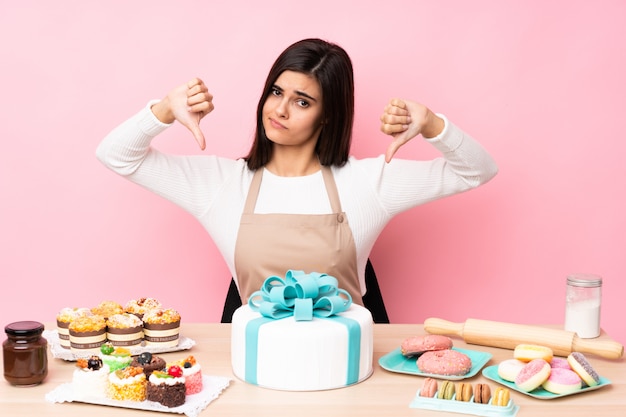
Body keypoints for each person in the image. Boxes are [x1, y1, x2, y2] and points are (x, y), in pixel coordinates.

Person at [96, 38, 498, 315]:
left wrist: (432, 125)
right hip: (254, 374)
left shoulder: (368, 183)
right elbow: (116, 156)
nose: (280, 110)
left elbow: (478, 171)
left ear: (327, 114)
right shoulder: (220, 184)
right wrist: (163, 111)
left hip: (347, 378)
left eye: (302, 101)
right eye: (276, 92)